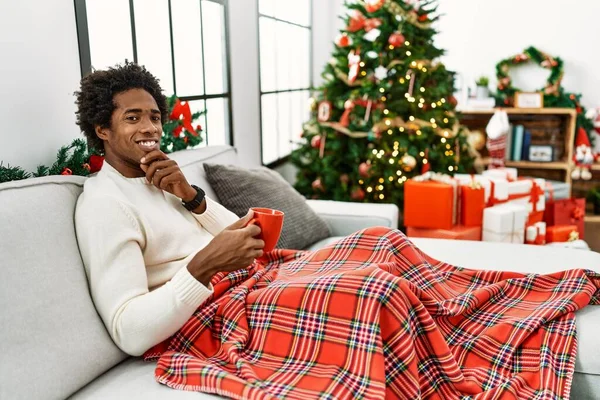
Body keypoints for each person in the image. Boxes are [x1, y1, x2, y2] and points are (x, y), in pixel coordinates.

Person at [74, 63, 264, 356]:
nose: (150, 128)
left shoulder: (165, 177)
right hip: (212, 317)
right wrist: (205, 264)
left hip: (251, 283)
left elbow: (247, 240)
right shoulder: (105, 205)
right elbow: (129, 332)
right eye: (132, 117)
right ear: (103, 129)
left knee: (361, 248)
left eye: (154, 117)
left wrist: (191, 196)